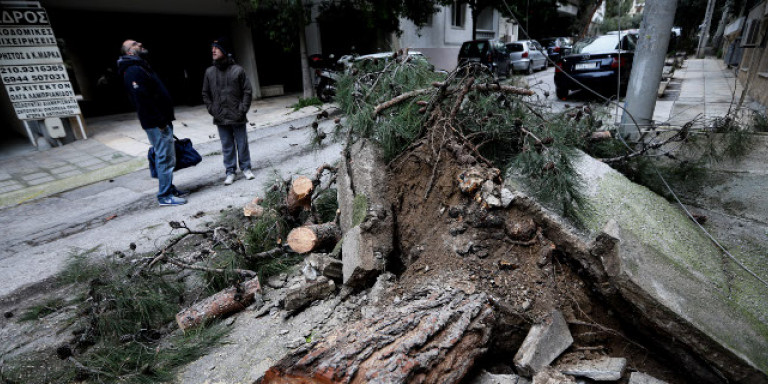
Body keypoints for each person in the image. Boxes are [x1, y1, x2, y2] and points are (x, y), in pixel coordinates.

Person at [117, 39, 188, 206]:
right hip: (157, 123)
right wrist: (160, 121)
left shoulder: (140, 66)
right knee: (164, 158)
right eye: (135, 44)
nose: (140, 44)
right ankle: (165, 196)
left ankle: (169, 188)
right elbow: (142, 100)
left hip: (161, 120)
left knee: (167, 157)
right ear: (129, 52)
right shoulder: (133, 70)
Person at [202, 37, 254, 185]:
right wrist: (212, 109)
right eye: (212, 48)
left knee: (242, 143)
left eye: (216, 48)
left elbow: (247, 91)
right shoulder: (209, 72)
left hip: (237, 115)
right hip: (220, 116)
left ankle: (246, 168)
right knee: (227, 146)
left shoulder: (238, 70)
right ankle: (230, 171)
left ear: (224, 51)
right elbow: (205, 93)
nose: (213, 50)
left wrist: (242, 109)